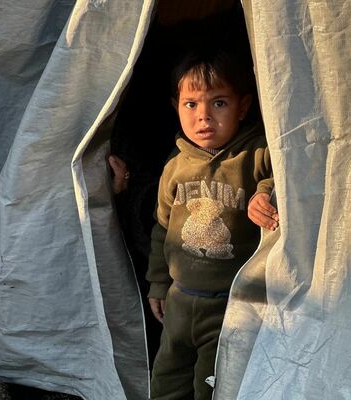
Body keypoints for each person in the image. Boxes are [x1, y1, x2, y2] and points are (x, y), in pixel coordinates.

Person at [144, 48, 278, 400]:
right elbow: (161, 229)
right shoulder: (175, 165)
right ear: (176, 106)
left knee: (213, 385)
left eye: (218, 103)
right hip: (179, 298)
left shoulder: (257, 153)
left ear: (243, 106)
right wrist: (158, 283)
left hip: (229, 306)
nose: (203, 116)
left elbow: (285, 175)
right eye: (191, 104)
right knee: (166, 379)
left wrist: (265, 194)